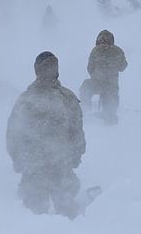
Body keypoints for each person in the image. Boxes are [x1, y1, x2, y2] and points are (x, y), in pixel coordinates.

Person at [6, 52, 85, 218]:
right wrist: (18, 160)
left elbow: (76, 129)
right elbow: (14, 133)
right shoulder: (27, 99)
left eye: (51, 69)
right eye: (45, 69)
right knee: (32, 217)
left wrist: (76, 154)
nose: (48, 73)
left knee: (66, 214)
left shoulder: (65, 97)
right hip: (37, 166)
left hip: (58, 164)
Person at [79, 30, 128, 125]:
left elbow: (90, 68)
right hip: (111, 86)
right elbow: (123, 67)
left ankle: (85, 111)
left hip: (97, 83)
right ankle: (111, 123)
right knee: (110, 108)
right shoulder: (118, 51)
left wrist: (96, 75)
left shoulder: (95, 50)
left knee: (86, 86)